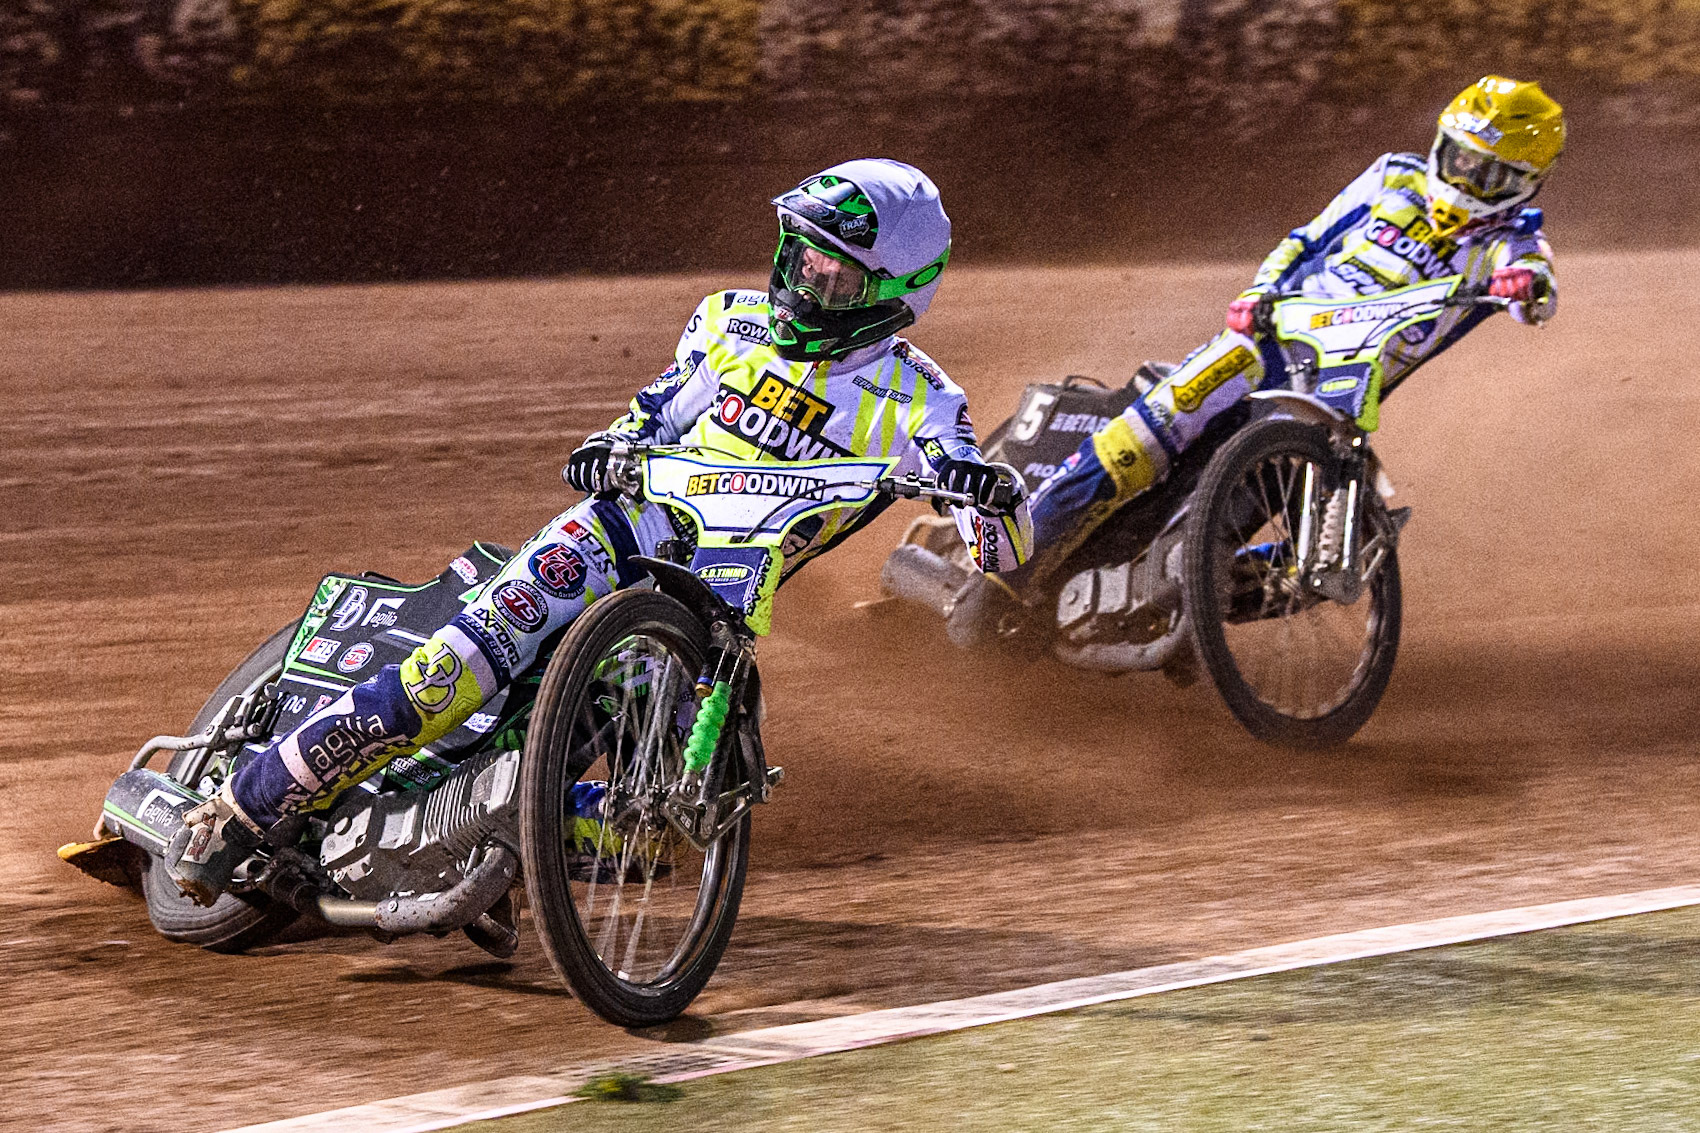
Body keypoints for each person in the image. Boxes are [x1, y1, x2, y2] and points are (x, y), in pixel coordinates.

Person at [167, 158, 1033, 905]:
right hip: (624, 525)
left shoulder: (925, 401)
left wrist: (990, 495)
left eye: (835, 275)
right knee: (448, 674)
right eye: (800, 257)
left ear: (891, 294)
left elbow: (1003, 553)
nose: (805, 282)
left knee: (650, 835)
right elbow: (653, 411)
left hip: (709, 603)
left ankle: (497, 840)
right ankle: (240, 805)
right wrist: (609, 444)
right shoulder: (728, 321)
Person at [947, 75, 1564, 646]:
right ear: (1441, 144)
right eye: (1461, 160)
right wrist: (1259, 293)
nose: (1467, 181)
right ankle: (1003, 573)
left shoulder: (1512, 242)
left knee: (1327, 554)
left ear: (1526, 184)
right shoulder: (1392, 178)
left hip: (1337, 396)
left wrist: (1528, 290)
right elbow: (1306, 239)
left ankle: (1180, 602)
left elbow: (1537, 289)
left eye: (1492, 176)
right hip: (1266, 341)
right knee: (1135, 441)